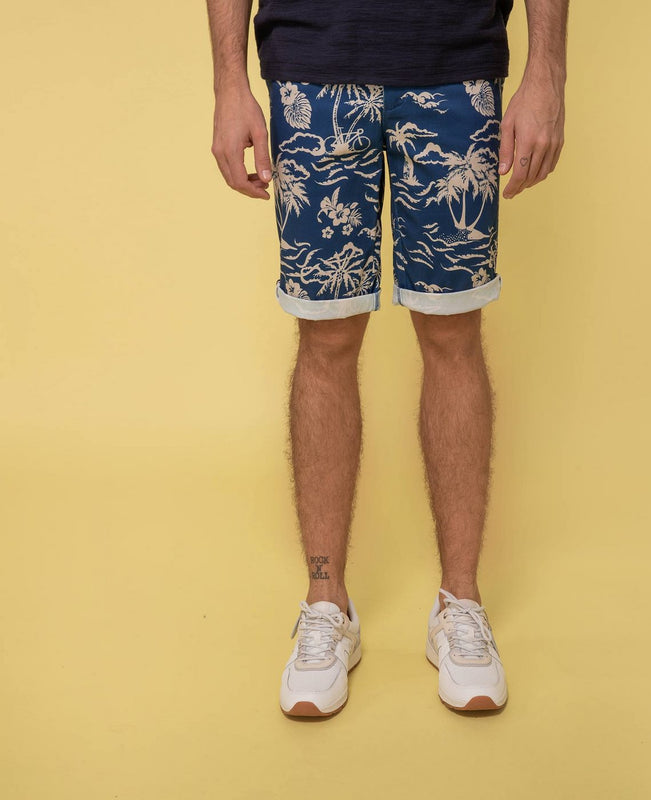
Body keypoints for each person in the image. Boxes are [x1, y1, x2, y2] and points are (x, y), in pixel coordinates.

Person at [206, 0, 568, 716]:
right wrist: (228, 83)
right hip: (311, 72)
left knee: (453, 331)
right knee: (326, 335)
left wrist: (547, 73)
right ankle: (326, 603)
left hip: (456, 66)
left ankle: (459, 604)